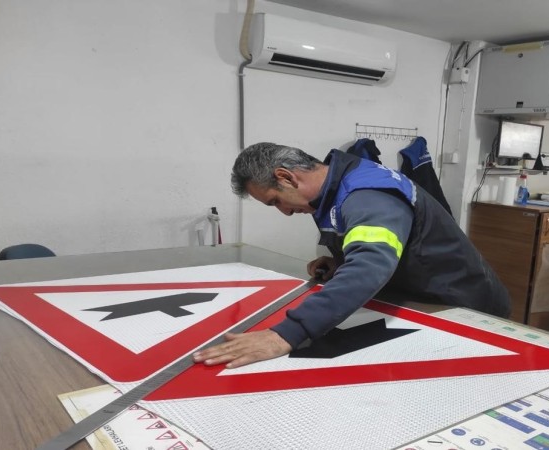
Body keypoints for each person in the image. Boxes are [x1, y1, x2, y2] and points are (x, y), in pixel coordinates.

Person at [193, 142, 510, 369]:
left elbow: (370, 266)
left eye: (276, 200)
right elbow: (378, 241)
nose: (285, 212)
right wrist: (340, 261)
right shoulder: (335, 186)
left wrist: (285, 335)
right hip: (420, 300)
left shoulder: (368, 194)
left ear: (286, 177)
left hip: (462, 307)